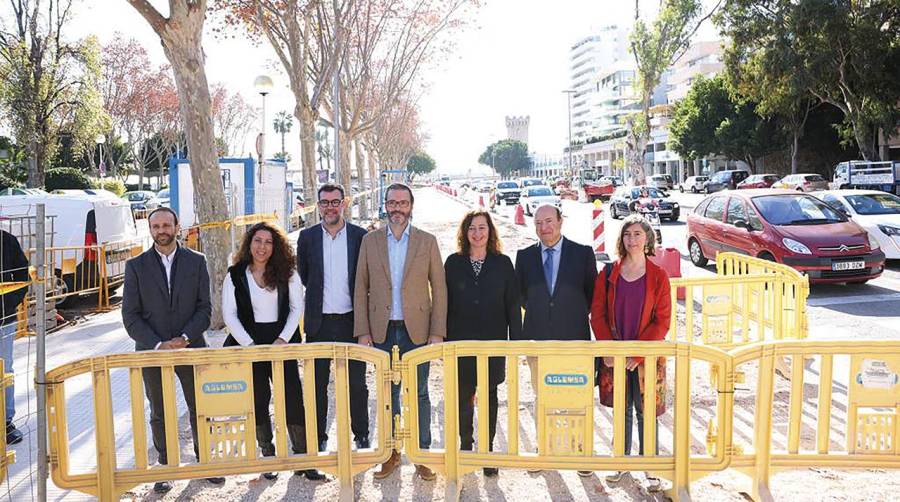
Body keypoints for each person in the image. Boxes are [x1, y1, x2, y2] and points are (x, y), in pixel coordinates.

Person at [122, 207, 225, 493]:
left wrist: (183, 338)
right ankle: (166, 466)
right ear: (150, 229)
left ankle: (206, 462)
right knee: (159, 411)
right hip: (151, 351)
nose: (161, 230)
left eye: (167, 225)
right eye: (156, 226)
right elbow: (130, 316)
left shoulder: (197, 261)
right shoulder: (135, 266)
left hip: (191, 347)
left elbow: (205, 309)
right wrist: (159, 344)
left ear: (177, 227)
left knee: (201, 407)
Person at [354, 183, 447, 481]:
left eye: (402, 203)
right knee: (387, 394)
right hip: (381, 331)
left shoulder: (427, 241)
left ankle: (422, 455)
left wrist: (437, 332)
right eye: (392, 203)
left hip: (417, 330)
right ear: (385, 205)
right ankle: (391, 454)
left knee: (419, 392)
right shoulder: (370, 242)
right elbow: (361, 288)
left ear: (411, 206)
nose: (397, 208)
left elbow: (439, 288)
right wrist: (363, 332)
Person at [222, 221, 324, 481]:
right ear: (249, 243)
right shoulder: (234, 274)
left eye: (268, 242)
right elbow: (229, 314)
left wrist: (282, 339)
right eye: (258, 241)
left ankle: (302, 457)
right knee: (257, 399)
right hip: (249, 344)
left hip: (282, 342)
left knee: (292, 397)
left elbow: (295, 308)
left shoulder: (288, 272)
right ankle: (267, 455)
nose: (262, 247)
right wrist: (249, 345)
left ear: (275, 246)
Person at [590, 214, 671, 493]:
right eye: (627, 234)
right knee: (622, 411)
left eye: (637, 234)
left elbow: (662, 321)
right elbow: (597, 315)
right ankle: (620, 461)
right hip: (615, 356)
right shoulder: (609, 274)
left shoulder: (659, 276)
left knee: (646, 412)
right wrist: (609, 350)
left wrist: (638, 354)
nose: (632, 239)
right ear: (621, 240)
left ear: (647, 238)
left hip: (647, 357)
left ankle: (652, 467)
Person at [514, 204, 597, 476]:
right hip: (537, 338)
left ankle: (581, 452)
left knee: (576, 396)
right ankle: (543, 451)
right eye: (538, 223)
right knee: (543, 397)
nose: (543, 227)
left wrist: (565, 311)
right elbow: (522, 296)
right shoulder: (524, 257)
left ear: (560, 222)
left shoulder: (582, 254)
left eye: (549, 221)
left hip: (573, 338)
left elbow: (590, 294)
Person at [444, 210, 521, 477]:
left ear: (490, 232)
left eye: (482, 228)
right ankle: (466, 447)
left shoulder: (502, 263)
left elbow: (512, 304)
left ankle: (487, 451)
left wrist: (515, 342)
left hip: (493, 341)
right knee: (463, 397)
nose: (477, 234)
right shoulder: (453, 263)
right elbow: (445, 303)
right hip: (460, 341)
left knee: (489, 396)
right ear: (465, 233)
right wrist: (443, 339)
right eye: (472, 229)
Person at [297, 184, 370, 452]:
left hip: (353, 321)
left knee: (357, 384)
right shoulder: (307, 237)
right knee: (317, 384)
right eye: (325, 202)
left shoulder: (360, 236)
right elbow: (304, 275)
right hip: (319, 322)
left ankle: (361, 434)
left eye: (335, 201)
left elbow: (366, 279)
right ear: (318, 206)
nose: (330, 207)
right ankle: (318, 436)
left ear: (344, 204)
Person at [1, 229, 27, 445]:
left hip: (3, 320)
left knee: (4, 371)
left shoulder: (7, 241)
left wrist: (10, 303)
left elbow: (22, 275)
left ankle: (6, 423)